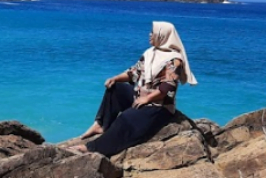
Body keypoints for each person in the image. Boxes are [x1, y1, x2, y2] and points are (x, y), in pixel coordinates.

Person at [75, 21, 195, 156]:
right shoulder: (150, 53)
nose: (149, 35)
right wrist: (116, 78)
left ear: (162, 36)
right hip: (141, 98)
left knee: (125, 118)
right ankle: (101, 125)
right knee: (115, 89)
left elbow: (168, 87)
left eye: (153, 33)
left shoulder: (174, 60)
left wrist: (147, 99)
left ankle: (93, 148)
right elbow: (134, 73)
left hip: (158, 106)